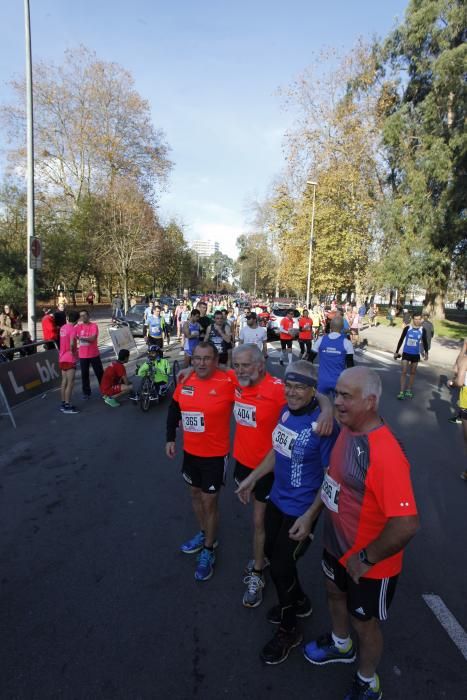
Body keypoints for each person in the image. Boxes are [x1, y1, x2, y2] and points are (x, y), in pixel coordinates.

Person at [296, 367, 419, 700]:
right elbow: (333, 481)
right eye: (337, 394)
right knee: (334, 594)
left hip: (369, 563)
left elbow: (406, 523)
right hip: (336, 545)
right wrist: (310, 516)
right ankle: (340, 644)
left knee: (364, 623)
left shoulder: (386, 453)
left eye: (346, 396)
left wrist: (366, 558)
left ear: (372, 401)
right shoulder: (348, 428)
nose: (338, 402)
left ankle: (368, 681)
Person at [236, 361, 339, 664]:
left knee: (281, 566)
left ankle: (289, 628)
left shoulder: (322, 425)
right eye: (289, 386)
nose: (293, 393)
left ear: (312, 391)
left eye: (300, 387)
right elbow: (275, 452)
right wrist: (253, 478)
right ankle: (300, 601)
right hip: (278, 499)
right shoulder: (284, 412)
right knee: (269, 550)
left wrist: (310, 516)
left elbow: (331, 475)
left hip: (302, 509)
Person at [165, 342, 236, 582]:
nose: (201, 363)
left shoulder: (227, 382)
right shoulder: (185, 380)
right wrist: (169, 438)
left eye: (207, 359)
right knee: (195, 494)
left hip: (216, 455)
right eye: (197, 358)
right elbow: (174, 408)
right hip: (191, 452)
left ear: (216, 361)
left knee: (210, 501)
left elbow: (251, 379)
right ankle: (206, 533)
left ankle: (208, 549)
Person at [311, 315, 354, 396]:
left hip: (322, 381)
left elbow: (310, 359)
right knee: (338, 406)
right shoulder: (347, 342)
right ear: (342, 327)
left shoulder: (321, 340)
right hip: (339, 381)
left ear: (330, 326)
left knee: (320, 405)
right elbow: (350, 366)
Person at [394, 313, 428, 399]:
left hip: (415, 354)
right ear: (413, 319)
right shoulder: (407, 328)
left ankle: (408, 390)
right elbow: (401, 339)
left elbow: (425, 342)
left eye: (419, 319)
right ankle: (401, 392)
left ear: (421, 320)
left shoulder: (422, 330)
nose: (417, 321)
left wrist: (426, 353)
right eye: (415, 319)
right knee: (404, 372)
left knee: (413, 373)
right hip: (406, 353)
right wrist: (397, 351)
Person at [75, 309, 104, 399]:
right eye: (81, 316)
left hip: (94, 354)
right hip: (83, 355)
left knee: (100, 373)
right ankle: (86, 392)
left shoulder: (94, 326)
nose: (83, 317)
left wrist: (81, 338)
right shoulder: (78, 327)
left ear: (88, 316)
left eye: (84, 315)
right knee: (84, 374)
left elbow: (92, 339)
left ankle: (105, 390)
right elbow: (73, 336)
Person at [58, 310, 80, 414]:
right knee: (70, 383)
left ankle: (63, 403)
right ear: (77, 320)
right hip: (69, 358)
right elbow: (72, 344)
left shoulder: (63, 327)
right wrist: (73, 351)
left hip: (62, 357)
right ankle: (67, 405)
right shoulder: (73, 329)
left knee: (64, 381)